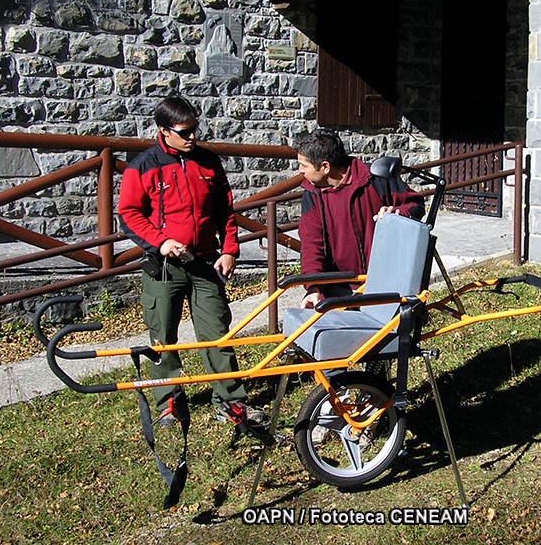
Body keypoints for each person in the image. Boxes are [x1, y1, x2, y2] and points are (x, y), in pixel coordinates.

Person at [118, 95, 261, 427]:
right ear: (164, 131)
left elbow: (225, 210)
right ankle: (169, 401)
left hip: (205, 263)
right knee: (162, 335)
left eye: (195, 129)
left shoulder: (209, 162)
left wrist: (229, 250)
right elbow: (128, 213)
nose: (193, 137)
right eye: (185, 131)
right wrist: (160, 241)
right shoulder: (143, 165)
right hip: (164, 267)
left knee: (217, 333)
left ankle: (230, 401)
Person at [293, 128, 426, 309]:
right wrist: (313, 287)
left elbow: (416, 205)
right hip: (339, 290)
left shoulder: (375, 179)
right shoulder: (312, 194)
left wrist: (397, 214)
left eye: (304, 165)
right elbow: (311, 244)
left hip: (385, 285)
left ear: (325, 167)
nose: (300, 171)